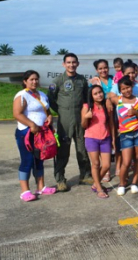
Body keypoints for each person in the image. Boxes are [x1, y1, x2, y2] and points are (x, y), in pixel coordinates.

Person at [48, 53, 91, 192]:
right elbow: (50, 100)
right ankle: (60, 179)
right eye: (68, 62)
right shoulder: (58, 81)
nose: (71, 65)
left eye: (74, 62)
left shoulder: (82, 80)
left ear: (77, 64)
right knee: (63, 151)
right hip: (64, 120)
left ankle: (85, 175)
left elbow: (86, 98)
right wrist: (60, 110)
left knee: (82, 148)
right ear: (64, 64)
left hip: (79, 118)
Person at [13, 70, 57, 202]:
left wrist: (49, 117)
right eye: (31, 79)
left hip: (41, 133)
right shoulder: (22, 95)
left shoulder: (42, 95)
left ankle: (41, 187)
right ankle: (25, 191)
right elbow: (17, 114)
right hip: (26, 133)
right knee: (27, 161)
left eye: (36, 79)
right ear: (25, 81)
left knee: (39, 159)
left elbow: (47, 111)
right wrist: (31, 125)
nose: (34, 82)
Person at [109, 76, 138, 196]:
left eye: (128, 87)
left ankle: (135, 182)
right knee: (126, 162)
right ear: (120, 90)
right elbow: (108, 97)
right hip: (125, 134)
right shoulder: (118, 100)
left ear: (132, 87)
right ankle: (122, 183)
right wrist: (107, 101)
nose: (126, 90)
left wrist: (136, 113)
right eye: (123, 89)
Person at [81, 85, 115, 199]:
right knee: (96, 164)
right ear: (91, 96)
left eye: (100, 92)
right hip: (91, 138)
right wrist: (86, 117)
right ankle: (99, 188)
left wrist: (113, 139)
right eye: (95, 94)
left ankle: (96, 184)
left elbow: (111, 124)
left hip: (106, 138)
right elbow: (83, 125)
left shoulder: (107, 105)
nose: (99, 95)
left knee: (106, 165)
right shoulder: (87, 107)